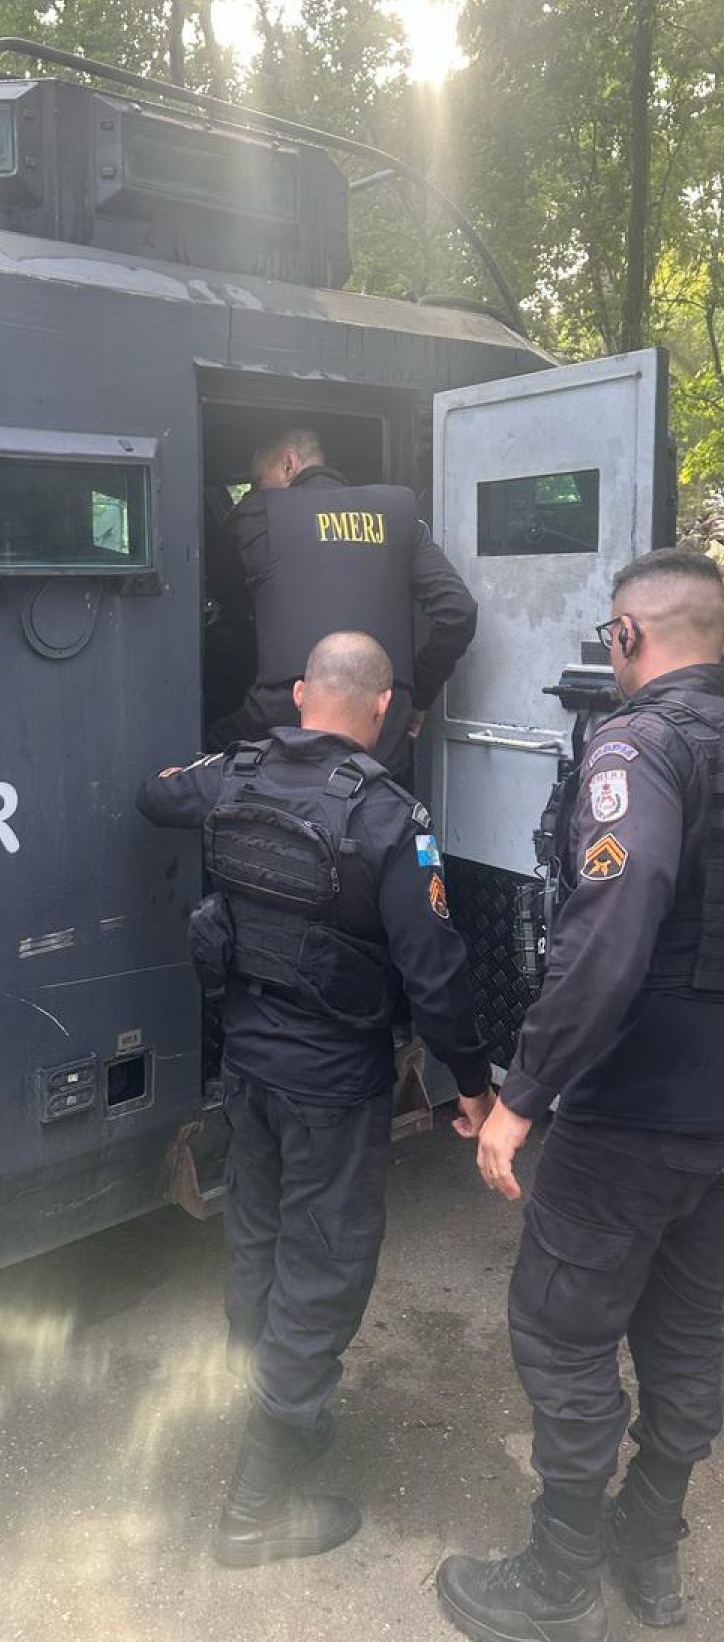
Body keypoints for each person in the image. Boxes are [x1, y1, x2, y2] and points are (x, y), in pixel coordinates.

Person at [137, 631, 495, 1569]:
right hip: (334, 1088)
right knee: (324, 1268)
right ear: (382, 711)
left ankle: (265, 1405)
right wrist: (475, 1088)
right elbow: (438, 973)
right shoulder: (389, 816)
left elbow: (155, 793)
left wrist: (204, 766)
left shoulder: (235, 776)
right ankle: (254, 1509)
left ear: (300, 695)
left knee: (257, 1240)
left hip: (247, 1072)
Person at [438, 547, 724, 1642]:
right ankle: (650, 1560)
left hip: (630, 1118)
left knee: (563, 1335)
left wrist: (525, 1094)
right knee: (691, 1335)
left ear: (627, 638)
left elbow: (613, 923)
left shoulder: (639, 747)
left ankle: (560, 1579)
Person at [219, 427, 478, 776]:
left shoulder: (258, 514)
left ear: (288, 464)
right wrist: (413, 696)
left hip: (282, 714)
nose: (255, 489)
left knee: (209, 748)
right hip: (382, 715)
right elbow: (458, 611)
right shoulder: (399, 514)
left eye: (257, 479)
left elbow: (218, 588)